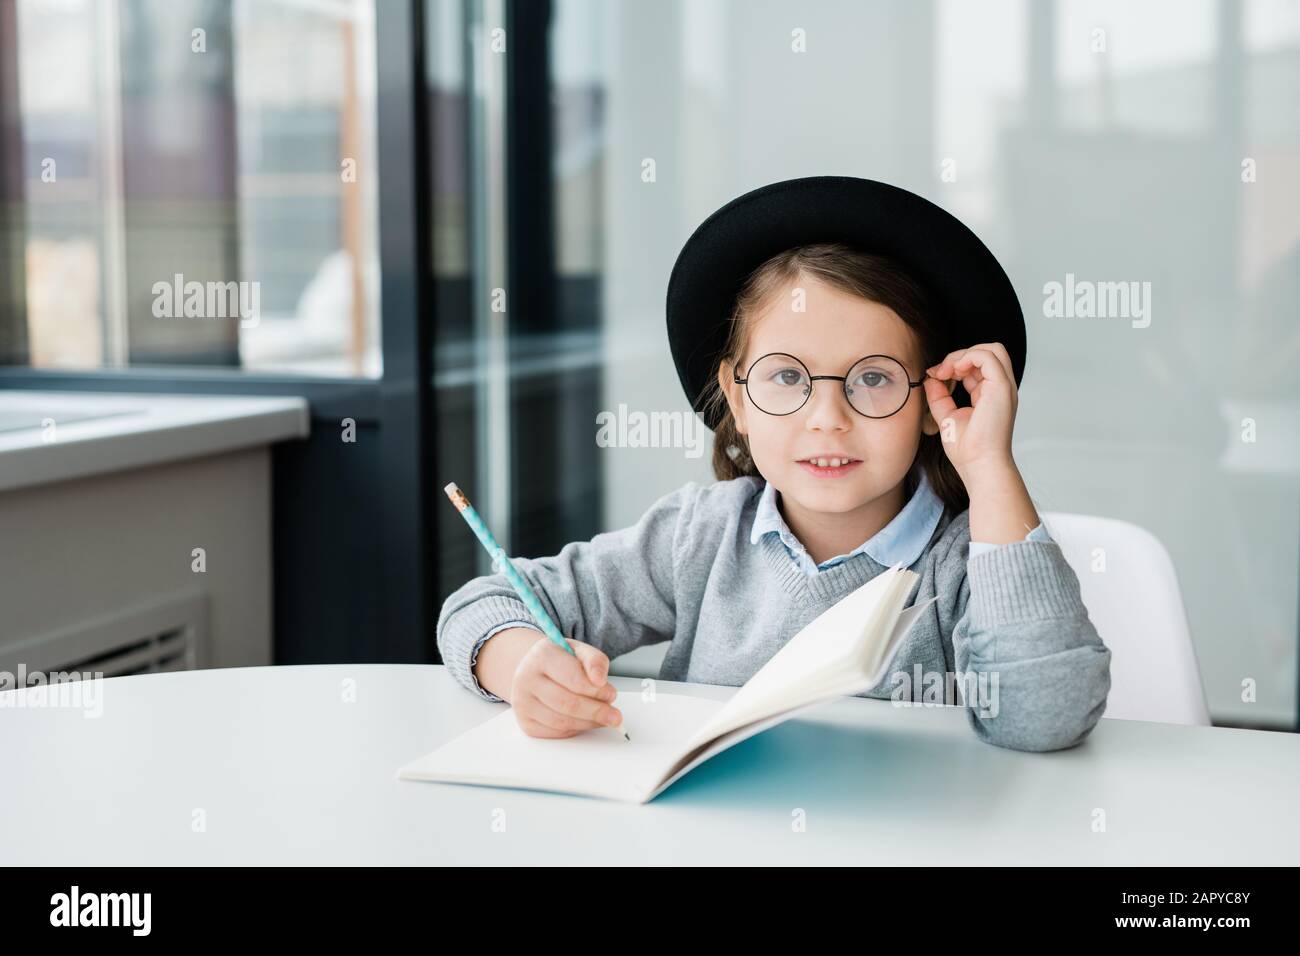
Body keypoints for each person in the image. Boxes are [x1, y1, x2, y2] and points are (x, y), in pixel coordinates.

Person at [436, 176, 1111, 752]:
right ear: (738, 396)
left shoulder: (965, 562)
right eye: (787, 378)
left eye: (872, 379)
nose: (827, 418)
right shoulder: (697, 537)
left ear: (935, 400)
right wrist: (524, 666)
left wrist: (990, 466)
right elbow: (482, 604)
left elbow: (1043, 716)